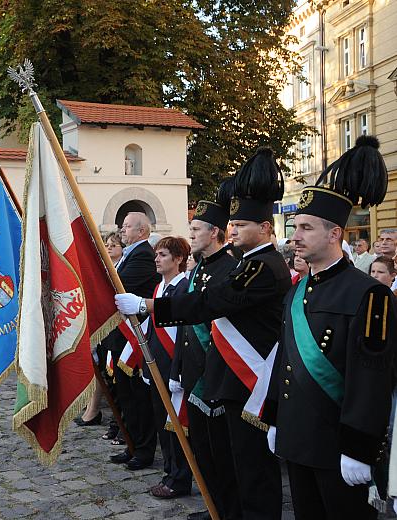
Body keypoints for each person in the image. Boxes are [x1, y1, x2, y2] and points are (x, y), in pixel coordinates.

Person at [121, 147, 290, 519]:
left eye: (241, 225)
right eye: (232, 224)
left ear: (264, 227)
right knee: (231, 465)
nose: (233, 230)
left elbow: (216, 301)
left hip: (250, 383)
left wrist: (152, 307)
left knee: (253, 473)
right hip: (227, 379)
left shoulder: (264, 266)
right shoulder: (251, 262)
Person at [263, 135, 394, 520]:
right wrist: (275, 420)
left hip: (339, 445)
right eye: (294, 226)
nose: (294, 236)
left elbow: (372, 378)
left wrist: (359, 447)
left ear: (335, 233)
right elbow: (284, 359)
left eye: (305, 228)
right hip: (298, 438)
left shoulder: (368, 294)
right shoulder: (298, 289)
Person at [170, 187, 240, 520]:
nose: (191, 235)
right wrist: (178, 371)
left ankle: (226, 511)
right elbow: (186, 326)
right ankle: (213, 507)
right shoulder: (200, 268)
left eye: (196, 230)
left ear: (214, 232)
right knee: (203, 452)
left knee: (221, 455)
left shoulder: (229, 268)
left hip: (216, 375)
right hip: (194, 372)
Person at [106, 212, 161, 471]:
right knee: (126, 395)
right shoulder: (130, 254)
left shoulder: (143, 256)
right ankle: (132, 444)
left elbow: (120, 286)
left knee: (138, 397)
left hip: (135, 336)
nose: (123, 230)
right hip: (122, 335)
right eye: (123, 226)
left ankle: (144, 449)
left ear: (141, 231)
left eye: (127, 226)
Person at [142, 236, 192, 499]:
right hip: (157, 365)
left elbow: (184, 335)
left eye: (162, 255)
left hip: (174, 367)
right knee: (163, 424)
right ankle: (169, 471)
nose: (157, 260)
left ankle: (180, 478)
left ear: (179, 259)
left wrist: (178, 371)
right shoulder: (159, 288)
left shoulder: (184, 289)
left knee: (176, 426)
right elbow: (152, 329)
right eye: (156, 255)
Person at [77, 232, 124, 429]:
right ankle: (91, 407)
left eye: (114, 244)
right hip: (102, 328)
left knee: (109, 373)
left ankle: (97, 411)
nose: (109, 247)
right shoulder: (108, 267)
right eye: (107, 244)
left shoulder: (123, 266)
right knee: (98, 369)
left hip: (115, 329)